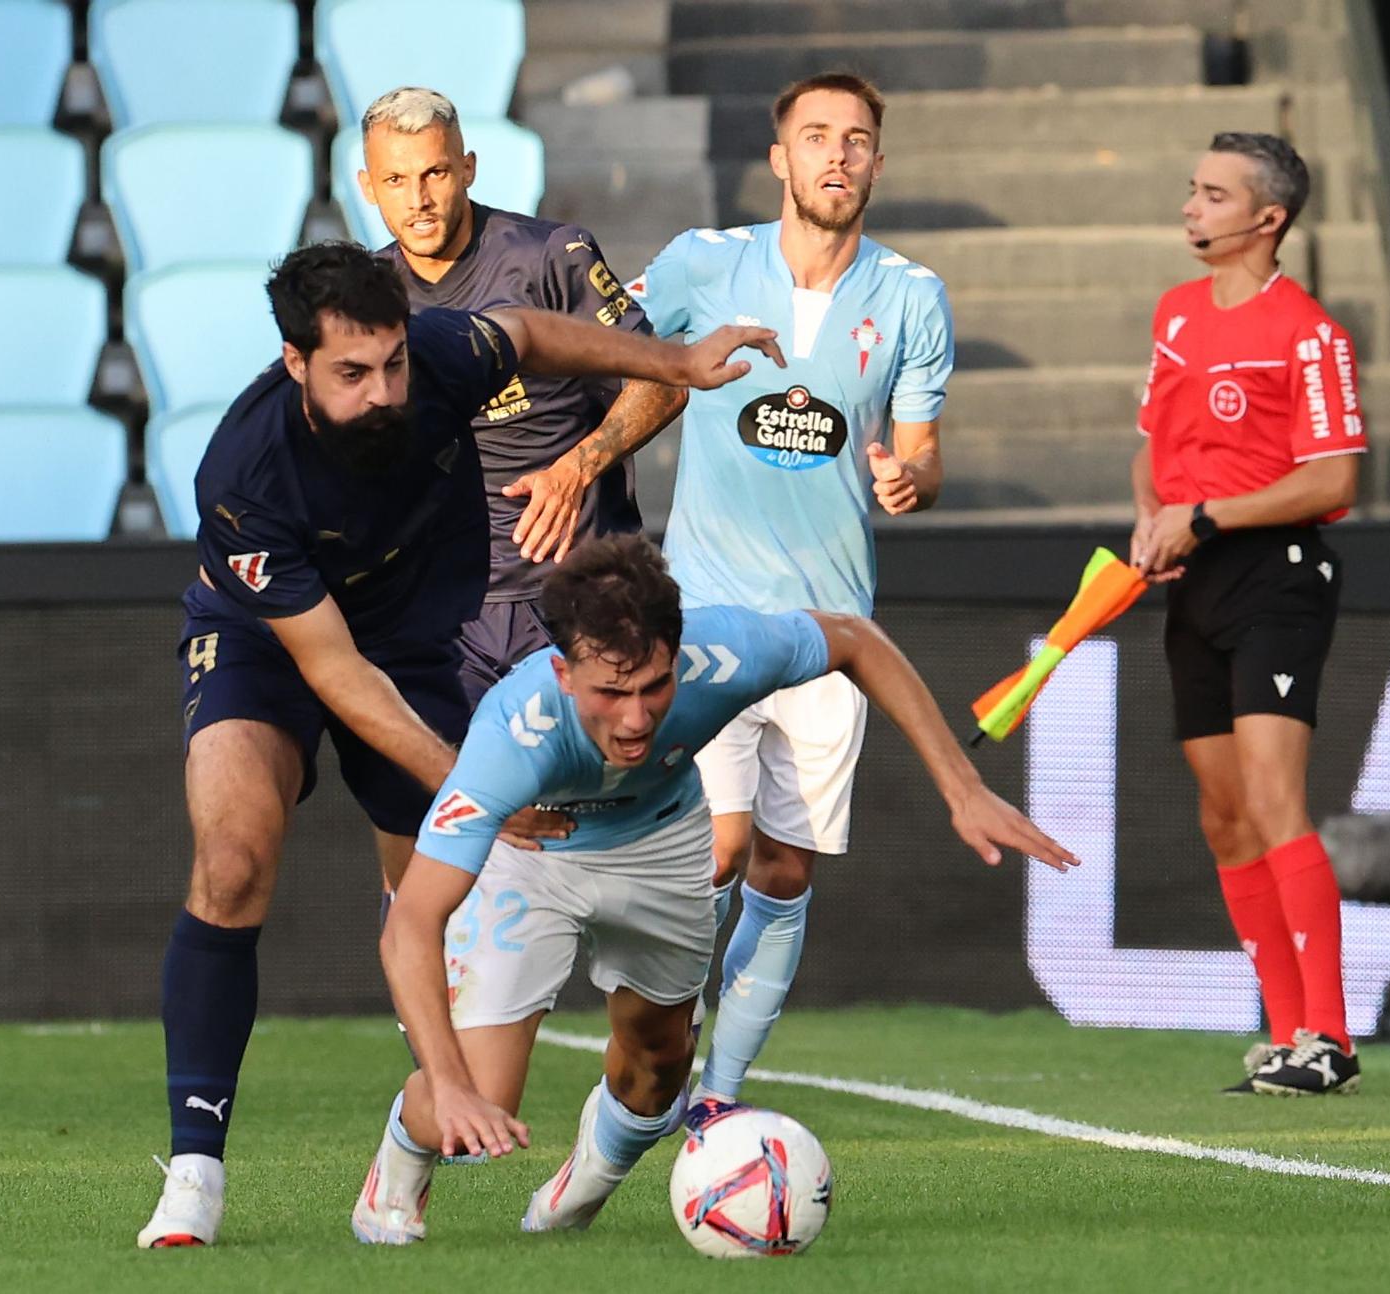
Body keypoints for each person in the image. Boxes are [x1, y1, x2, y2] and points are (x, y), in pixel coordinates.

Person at [140, 241, 779, 1249]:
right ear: (293, 362)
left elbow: (524, 332)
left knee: (429, 912)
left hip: (410, 639)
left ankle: (420, 1129)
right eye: (352, 372)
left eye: (392, 361)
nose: (384, 388)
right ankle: (194, 1170)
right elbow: (335, 675)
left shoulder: (437, 355)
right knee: (231, 858)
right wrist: (470, 792)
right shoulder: (243, 475)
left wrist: (679, 363)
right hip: (270, 644)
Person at [350, 534, 1077, 1244]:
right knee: (478, 1094)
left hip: (662, 844)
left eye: (654, 686)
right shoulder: (512, 733)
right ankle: (398, 1170)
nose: (635, 718)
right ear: (564, 673)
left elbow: (856, 639)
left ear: (677, 652)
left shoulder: (722, 651)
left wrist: (964, 788)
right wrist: (444, 1081)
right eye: (610, 692)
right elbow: (409, 922)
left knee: (660, 1066)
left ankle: (573, 1202)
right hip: (533, 854)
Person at [560, 71, 955, 1117]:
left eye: (857, 139)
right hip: (708, 617)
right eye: (815, 136)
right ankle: (650, 1047)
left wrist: (911, 480)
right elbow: (629, 357)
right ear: (777, 159)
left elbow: (919, 450)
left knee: (781, 873)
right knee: (717, 849)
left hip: (832, 634)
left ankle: (717, 1099)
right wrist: (586, 453)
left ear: (877, 160)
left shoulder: (910, 295)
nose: (836, 155)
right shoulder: (705, 262)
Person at [1130, 132, 1365, 1096]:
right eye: (1192, 190)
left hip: (1276, 570)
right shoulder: (1177, 313)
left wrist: (1207, 515)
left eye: (1215, 195)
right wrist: (1153, 519)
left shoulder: (1308, 333)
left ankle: (1332, 1040)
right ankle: (1284, 1035)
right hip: (1194, 573)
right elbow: (1151, 442)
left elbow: (1335, 476)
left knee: (1273, 803)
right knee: (1224, 816)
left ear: (1267, 219)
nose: (1192, 207)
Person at [357, 86, 685, 708]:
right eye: (395, 180)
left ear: (469, 167)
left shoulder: (550, 257)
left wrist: (575, 470)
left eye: (435, 173)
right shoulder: (369, 294)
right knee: (438, 799)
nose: (418, 200)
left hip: (580, 592)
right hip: (450, 613)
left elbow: (664, 381)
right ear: (368, 186)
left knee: (581, 799)